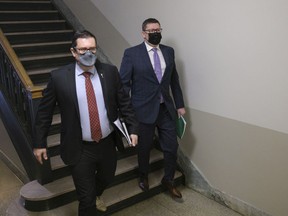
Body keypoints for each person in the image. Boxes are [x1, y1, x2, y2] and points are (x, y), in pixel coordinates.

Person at [33, 30, 139, 216]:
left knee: (107, 177)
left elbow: (124, 102)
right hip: (79, 147)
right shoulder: (59, 77)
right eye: (83, 50)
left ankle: (96, 193)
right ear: (73, 52)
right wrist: (40, 143)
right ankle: (91, 198)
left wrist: (132, 128)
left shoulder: (110, 72)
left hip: (107, 143)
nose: (88, 53)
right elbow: (44, 113)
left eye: (92, 48)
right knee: (86, 200)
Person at [119, 18, 186, 199]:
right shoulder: (131, 54)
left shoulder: (169, 51)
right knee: (144, 148)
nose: (156, 32)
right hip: (142, 110)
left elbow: (174, 80)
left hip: (166, 109)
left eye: (158, 29)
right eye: (151, 30)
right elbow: (124, 85)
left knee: (171, 147)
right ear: (143, 33)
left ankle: (169, 180)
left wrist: (179, 104)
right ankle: (143, 176)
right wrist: (126, 111)